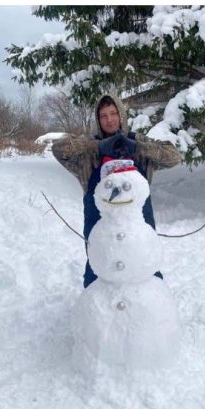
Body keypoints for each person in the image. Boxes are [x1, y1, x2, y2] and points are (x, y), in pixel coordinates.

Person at [50, 94, 182, 288]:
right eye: (103, 115)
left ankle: (151, 311)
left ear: (121, 116)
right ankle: (98, 314)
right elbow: (58, 149)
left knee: (145, 267)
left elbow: (173, 156)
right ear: (98, 119)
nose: (109, 119)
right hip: (100, 228)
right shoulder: (88, 149)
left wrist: (138, 147)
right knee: (99, 268)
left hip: (139, 225)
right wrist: (97, 146)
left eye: (113, 113)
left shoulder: (137, 141)